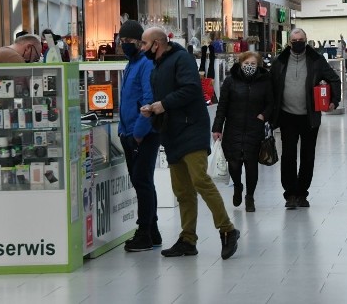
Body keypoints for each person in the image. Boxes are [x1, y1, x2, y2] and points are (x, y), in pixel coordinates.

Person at [139, 26, 240, 260]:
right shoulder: (158, 65)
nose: (142, 48)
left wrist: (162, 104)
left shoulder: (181, 59)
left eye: (144, 44)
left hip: (192, 129)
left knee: (200, 181)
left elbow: (191, 89)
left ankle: (227, 230)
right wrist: (153, 110)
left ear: (157, 43)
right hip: (171, 131)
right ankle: (187, 239)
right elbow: (164, 96)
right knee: (182, 190)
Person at [270, 28, 341, 209]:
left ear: (306, 40)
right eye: (294, 40)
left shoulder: (316, 60)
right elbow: (270, 85)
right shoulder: (279, 61)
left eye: (301, 39)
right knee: (288, 156)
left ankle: (302, 193)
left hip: (309, 116)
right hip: (287, 116)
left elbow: (334, 79)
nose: (298, 43)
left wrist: (334, 100)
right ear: (289, 43)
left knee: (308, 156)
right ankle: (290, 194)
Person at [116, 20, 162, 252]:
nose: (124, 45)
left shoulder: (145, 64)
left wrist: (139, 133)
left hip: (142, 134)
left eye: (128, 41)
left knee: (142, 181)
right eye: (122, 41)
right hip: (129, 131)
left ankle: (144, 231)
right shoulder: (130, 64)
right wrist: (122, 128)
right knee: (141, 181)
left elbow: (148, 98)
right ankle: (152, 230)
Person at [212, 51, 273, 212]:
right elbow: (222, 106)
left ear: (258, 65)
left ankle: (250, 196)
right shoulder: (230, 81)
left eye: (253, 64)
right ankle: (237, 186)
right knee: (234, 163)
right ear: (240, 64)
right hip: (233, 128)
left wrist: (263, 116)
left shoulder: (265, 81)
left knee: (251, 164)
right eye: (246, 64)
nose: (249, 67)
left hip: (255, 128)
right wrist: (217, 127)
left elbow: (271, 103)